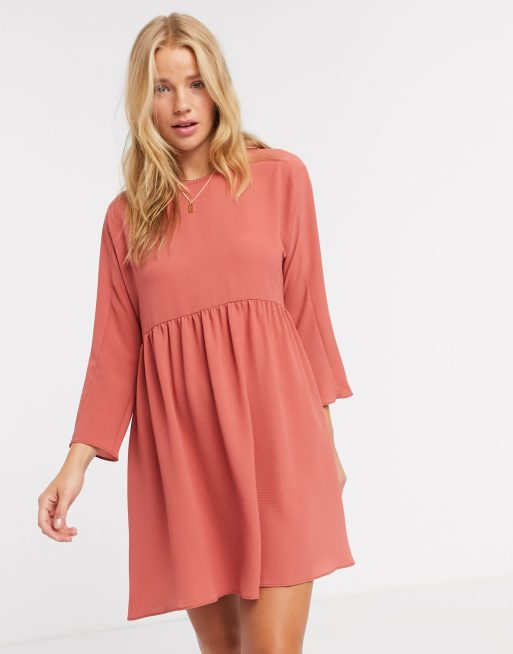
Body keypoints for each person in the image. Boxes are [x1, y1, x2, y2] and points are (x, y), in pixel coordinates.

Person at [37, 12, 355, 653]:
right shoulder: (127, 218)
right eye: (163, 87)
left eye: (196, 83)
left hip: (278, 444)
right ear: (143, 99)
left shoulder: (279, 176)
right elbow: (114, 349)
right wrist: (73, 466)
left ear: (218, 87)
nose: (182, 104)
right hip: (184, 458)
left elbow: (308, 317)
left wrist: (327, 447)